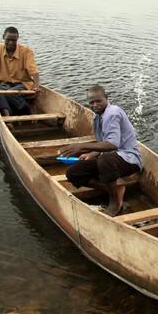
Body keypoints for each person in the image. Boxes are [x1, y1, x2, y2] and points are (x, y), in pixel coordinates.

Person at [59, 85, 143, 216]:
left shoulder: (112, 113)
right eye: (91, 102)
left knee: (104, 160)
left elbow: (113, 144)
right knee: (73, 173)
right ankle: (115, 190)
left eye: (98, 101)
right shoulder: (98, 117)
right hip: (110, 159)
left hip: (129, 160)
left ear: (107, 98)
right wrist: (91, 154)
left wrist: (81, 146)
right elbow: (103, 142)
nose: (95, 105)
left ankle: (115, 202)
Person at [0, 26, 41, 116]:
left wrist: (37, 86)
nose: (11, 43)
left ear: (17, 39)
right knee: (1, 92)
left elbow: (34, 71)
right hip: (4, 84)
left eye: (14, 40)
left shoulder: (26, 51)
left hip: (22, 84)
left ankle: (26, 107)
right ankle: (8, 116)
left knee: (9, 94)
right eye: (8, 40)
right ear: (3, 37)